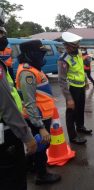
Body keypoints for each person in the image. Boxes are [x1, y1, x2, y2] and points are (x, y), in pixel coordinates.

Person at [0, 8, 37, 190]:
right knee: (13, 179)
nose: (3, 37)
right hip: (7, 134)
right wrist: (27, 137)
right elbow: (7, 107)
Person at [15, 40, 61, 185]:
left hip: (43, 114)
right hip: (37, 117)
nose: (42, 57)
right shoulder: (27, 73)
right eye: (40, 53)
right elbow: (29, 103)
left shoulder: (34, 68)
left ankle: (30, 166)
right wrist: (40, 127)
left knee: (40, 145)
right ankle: (42, 175)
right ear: (30, 54)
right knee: (41, 146)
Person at [58, 32, 92, 145]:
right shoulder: (63, 59)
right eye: (74, 45)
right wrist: (69, 98)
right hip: (71, 88)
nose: (77, 47)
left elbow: (81, 68)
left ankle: (80, 127)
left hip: (80, 86)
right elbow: (61, 80)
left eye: (77, 45)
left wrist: (85, 81)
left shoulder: (77, 53)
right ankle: (73, 136)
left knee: (80, 108)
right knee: (71, 112)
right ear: (67, 45)